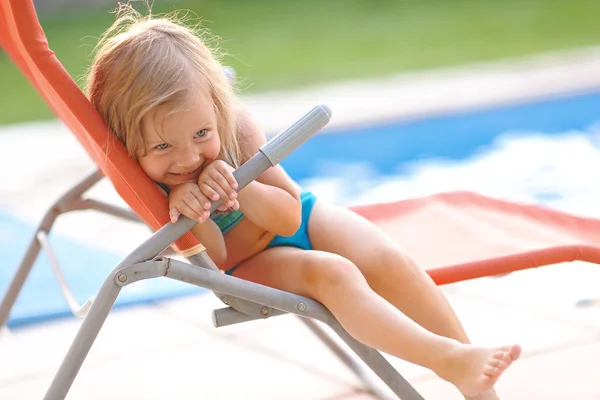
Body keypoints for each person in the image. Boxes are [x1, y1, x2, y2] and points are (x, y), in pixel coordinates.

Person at [86, 5, 520, 399]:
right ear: (128, 143)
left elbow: (289, 213)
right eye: (162, 146)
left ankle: (472, 378)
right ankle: (449, 361)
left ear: (216, 106)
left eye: (201, 134)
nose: (188, 157)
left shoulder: (234, 127)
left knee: (389, 259)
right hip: (248, 264)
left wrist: (241, 184)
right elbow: (213, 259)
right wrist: (189, 207)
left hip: (302, 216)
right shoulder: (153, 183)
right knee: (334, 273)